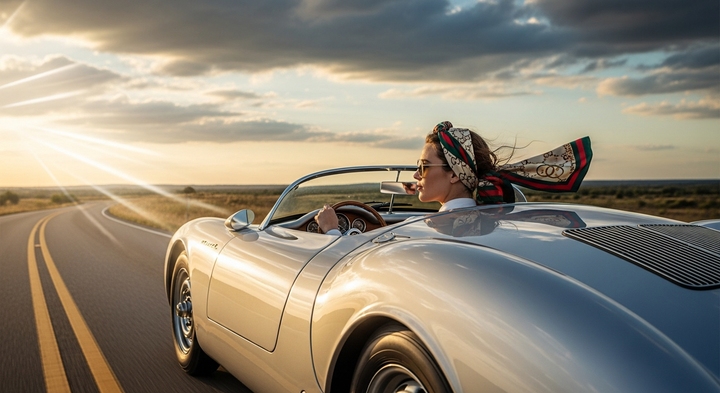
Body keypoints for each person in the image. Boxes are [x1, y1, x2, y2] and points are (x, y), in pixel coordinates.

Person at [315, 121, 593, 235]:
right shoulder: (491, 222)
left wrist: (331, 231)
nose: (415, 175)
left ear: (453, 175)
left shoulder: (429, 230)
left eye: (423, 166)